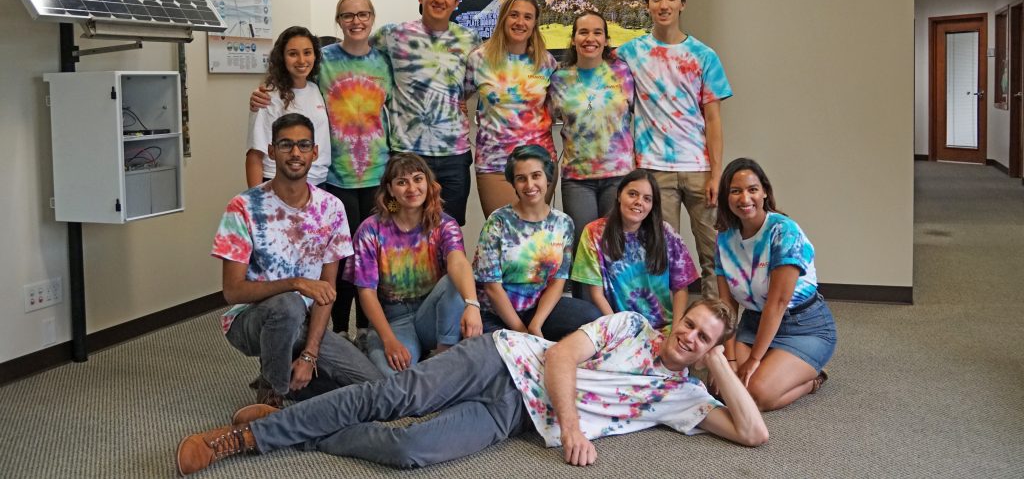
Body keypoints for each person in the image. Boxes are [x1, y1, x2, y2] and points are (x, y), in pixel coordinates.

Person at [174, 300, 769, 475]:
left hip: (514, 417)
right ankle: (246, 441)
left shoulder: (686, 396)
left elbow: (753, 433)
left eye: (704, 338)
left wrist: (717, 368)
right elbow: (561, 357)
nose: (689, 337)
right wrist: (570, 428)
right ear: (677, 318)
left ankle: (286, 429)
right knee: (395, 397)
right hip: (503, 360)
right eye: (689, 324)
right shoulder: (634, 327)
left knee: (412, 450)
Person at [250, 0, 392, 342]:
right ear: (338, 20)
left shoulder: (382, 63)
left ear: (373, 17)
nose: (356, 21)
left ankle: (363, 330)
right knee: (332, 262)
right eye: (347, 15)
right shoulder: (317, 65)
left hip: (362, 176)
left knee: (364, 257)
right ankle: (334, 333)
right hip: (328, 180)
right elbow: (257, 147)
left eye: (362, 14)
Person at [213, 113, 381, 408]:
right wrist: (296, 284)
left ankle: (288, 376)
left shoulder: (331, 208)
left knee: (374, 387)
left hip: (302, 324)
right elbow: (233, 291)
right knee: (288, 304)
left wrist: (310, 355)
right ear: (272, 151)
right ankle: (272, 394)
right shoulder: (243, 207)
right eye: (286, 145)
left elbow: (327, 292)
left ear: (315, 152)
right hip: (248, 322)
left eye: (304, 145)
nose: (295, 153)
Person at [616, 0, 732, 298]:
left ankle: (717, 328)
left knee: (714, 255)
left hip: (699, 169)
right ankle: (665, 329)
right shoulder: (629, 54)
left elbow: (713, 119)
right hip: (654, 171)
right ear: (648, 6)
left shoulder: (704, 55)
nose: (663, 4)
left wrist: (717, 173)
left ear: (682, 3)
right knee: (661, 256)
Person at [714, 157, 837, 411]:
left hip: (803, 327)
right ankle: (774, 365)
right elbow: (726, 305)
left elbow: (777, 304)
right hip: (755, 323)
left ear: (765, 192)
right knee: (720, 389)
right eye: (735, 191)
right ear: (726, 197)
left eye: (752, 189)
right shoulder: (725, 238)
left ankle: (812, 380)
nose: (744, 198)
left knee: (756, 395)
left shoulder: (784, 232)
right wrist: (731, 357)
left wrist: (754, 360)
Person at [348, 153, 483, 375]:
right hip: (394, 320)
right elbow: (366, 293)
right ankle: (400, 352)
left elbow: (458, 263)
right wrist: (389, 341)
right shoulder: (370, 230)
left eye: (418, 179)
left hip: (433, 312)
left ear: (428, 184)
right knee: (390, 377)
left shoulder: (444, 224)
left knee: (454, 281)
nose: (412, 188)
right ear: (390, 189)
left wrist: (472, 304)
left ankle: (444, 354)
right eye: (402, 182)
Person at [371, 0, 480, 225]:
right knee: (399, 225)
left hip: (454, 156)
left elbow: (471, 84)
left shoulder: (470, 39)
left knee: (448, 232)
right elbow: (357, 57)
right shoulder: (393, 35)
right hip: (405, 156)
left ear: (456, 2)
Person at [473, 145, 601, 339]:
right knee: (509, 354)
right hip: (495, 314)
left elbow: (558, 281)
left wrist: (535, 325)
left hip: (537, 311)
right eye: (521, 178)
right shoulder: (498, 221)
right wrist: (523, 333)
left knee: (591, 317)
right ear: (513, 183)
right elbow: (491, 288)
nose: (530, 185)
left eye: (536, 176)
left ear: (547, 177)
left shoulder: (563, 223)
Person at [548, 10, 635, 260]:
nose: (590, 38)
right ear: (573, 39)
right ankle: (584, 301)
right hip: (578, 179)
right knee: (583, 251)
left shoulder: (623, 73)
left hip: (619, 176)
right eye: (583, 32)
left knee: (616, 249)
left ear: (606, 40)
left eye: (597, 32)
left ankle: (613, 301)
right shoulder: (560, 80)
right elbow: (547, 119)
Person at [464, 0, 558, 216]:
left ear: (535, 23)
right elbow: (460, 100)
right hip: (495, 164)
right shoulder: (479, 59)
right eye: (514, 15)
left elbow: (558, 107)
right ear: (503, 18)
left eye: (527, 17)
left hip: (540, 165)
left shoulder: (547, 62)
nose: (520, 22)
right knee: (503, 241)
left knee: (537, 241)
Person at [570, 169, 698, 330]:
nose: (639, 202)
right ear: (618, 195)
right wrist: (618, 330)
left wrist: (675, 330)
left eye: (647, 199)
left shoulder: (666, 233)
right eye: (632, 194)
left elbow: (681, 288)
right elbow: (596, 294)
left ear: (653, 205)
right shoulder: (594, 233)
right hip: (616, 325)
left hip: (663, 327)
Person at [245, 27, 330, 187]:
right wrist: (255, 201)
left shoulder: (315, 89)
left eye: (307, 52)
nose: (301, 60)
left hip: (319, 183)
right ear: (282, 58)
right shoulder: (267, 96)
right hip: (279, 182)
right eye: (293, 54)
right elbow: (255, 154)